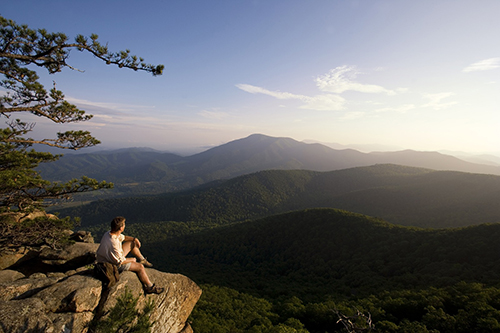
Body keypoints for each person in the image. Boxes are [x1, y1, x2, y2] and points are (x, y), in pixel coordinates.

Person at [96, 216, 164, 294]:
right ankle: (150, 287)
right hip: (111, 265)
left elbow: (123, 237)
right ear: (121, 228)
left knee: (131, 244)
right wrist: (132, 259)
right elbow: (119, 261)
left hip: (109, 258)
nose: (125, 225)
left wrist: (134, 239)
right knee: (140, 267)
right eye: (124, 224)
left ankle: (142, 259)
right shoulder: (114, 243)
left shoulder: (108, 233)